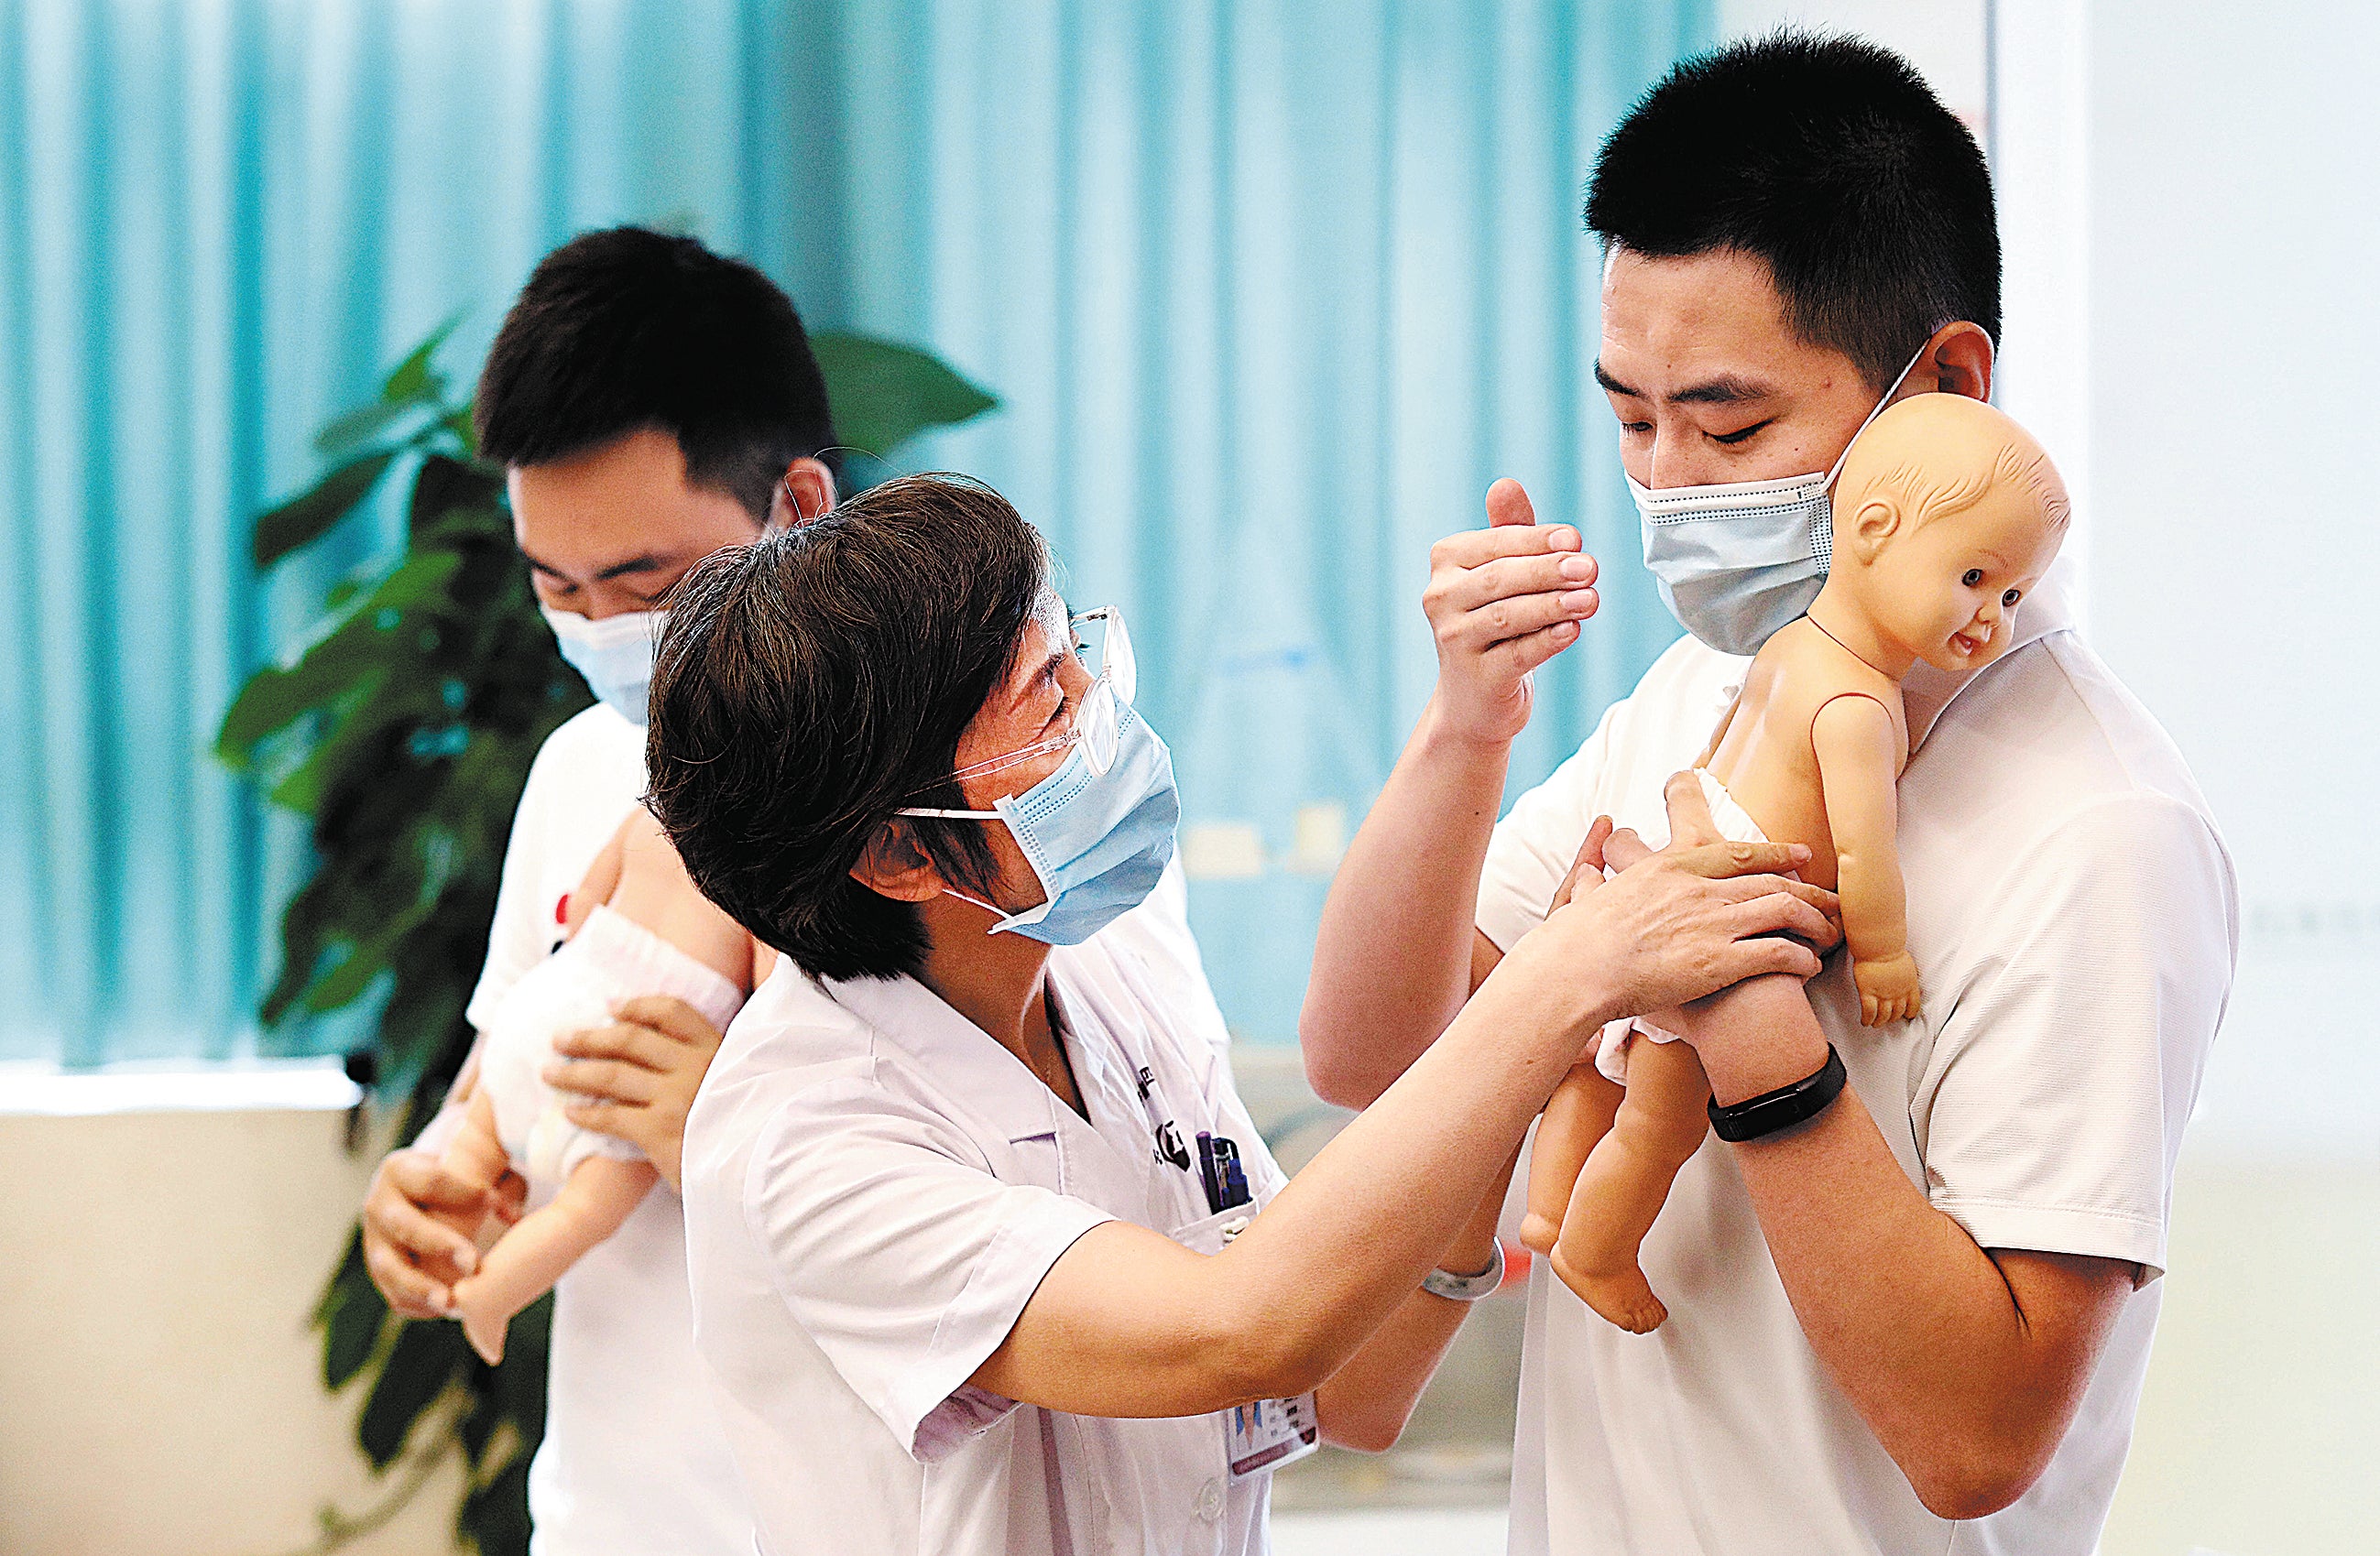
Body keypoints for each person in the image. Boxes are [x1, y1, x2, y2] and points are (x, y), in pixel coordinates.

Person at [1300, 33, 2235, 1556]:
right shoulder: (1699, 691)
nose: (1667, 482)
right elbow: (1372, 1053)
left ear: (1944, 384)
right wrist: (1464, 735)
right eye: (1628, 417)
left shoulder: (2096, 831)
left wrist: (1739, 1022)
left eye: (1730, 428)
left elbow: (1978, 1434)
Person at [643, 473, 1840, 1555]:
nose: (1099, 715)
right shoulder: (804, 1138)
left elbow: (1342, 1389)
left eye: (1079, 658)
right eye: (1047, 704)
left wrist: (1486, 789)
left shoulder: (1102, 962)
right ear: (904, 852)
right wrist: (1557, 978)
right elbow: (1244, 1328)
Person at [353, 226, 843, 1554]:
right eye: (555, 587)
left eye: (647, 584)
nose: (599, 630)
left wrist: (722, 1141)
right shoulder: (580, 770)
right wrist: (431, 1187)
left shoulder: (948, 808)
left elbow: (1066, 1205)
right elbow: (500, 1086)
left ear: (798, 505)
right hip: (611, 1517)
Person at [442, 803, 770, 1365]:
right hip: (642, 1054)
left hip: (553, 1003)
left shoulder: (649, 817)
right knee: (581, 1214)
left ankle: (443, 1230)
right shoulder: (772, 867)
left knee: (476, 1142)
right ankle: (489, 1296)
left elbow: (582, 911)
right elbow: (770, 1010)